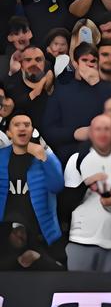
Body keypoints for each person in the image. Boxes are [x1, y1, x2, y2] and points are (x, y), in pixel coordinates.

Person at [62, 115, 111, 272]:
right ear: (90, 133)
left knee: (109, 287)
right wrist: (86, 184)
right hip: (80, 239)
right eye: (98, 129)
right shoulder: (77, 159)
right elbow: (64, 204)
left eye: (107, 129)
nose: (103, 133)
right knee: (77, 286)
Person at [0, 114, 64, 268]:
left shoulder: (42, 155)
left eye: (27, 125)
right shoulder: (1, 156)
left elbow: (57, 186)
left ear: (32, 131)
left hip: (41, 233)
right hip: (5, 233)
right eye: (17, 125)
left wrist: (46, 156)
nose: (22, 128)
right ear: (9, 133)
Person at [42, 43, 111, 165]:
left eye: (93, 61)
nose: (89, 64)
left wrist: (96, 84)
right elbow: (49, 131)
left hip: (102, 156)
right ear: (75, 63)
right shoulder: (61, 89)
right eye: (84, 60)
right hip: (70, 157)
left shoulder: (108, 89)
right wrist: (74, 134)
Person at [4, 45, 54, 131]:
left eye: (38, 60)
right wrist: (42, 82)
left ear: (44, 63)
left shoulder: (54, 80)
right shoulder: (12, 87)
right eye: (28, 60)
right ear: (21, 64)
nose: (33, 63)